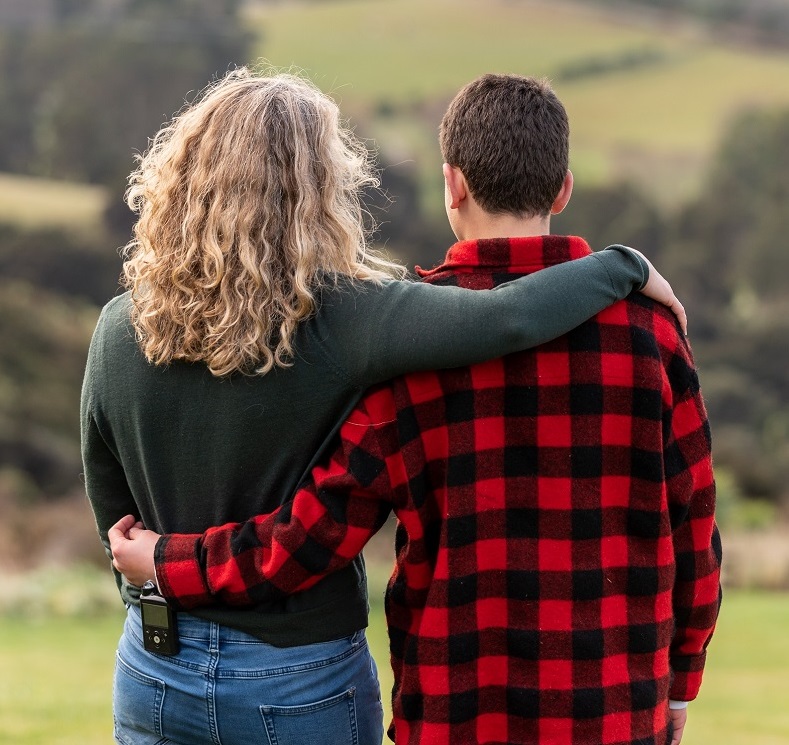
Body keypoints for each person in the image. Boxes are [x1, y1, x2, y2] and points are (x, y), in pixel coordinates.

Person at [110, 73, 719, 745]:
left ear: (451, 184)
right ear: (563, 187)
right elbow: (694, 524)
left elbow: (307, 536)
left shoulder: (407, 354)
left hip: (456, 717)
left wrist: (171, 561)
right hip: (614, 711)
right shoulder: (651, 333)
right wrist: (680, 681)